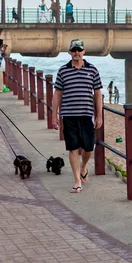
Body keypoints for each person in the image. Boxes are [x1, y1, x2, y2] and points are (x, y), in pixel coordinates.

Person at [52, 39, 103, 193]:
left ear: (83, 51)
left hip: (87, 114)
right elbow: (57, 94)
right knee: (73, 148)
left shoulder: (92, 70)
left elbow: (98, 93)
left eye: (79, 50)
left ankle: (84, 166)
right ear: (69, 52)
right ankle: (76, 181)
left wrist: (99, 116)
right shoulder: (63, 70)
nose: (76, 53)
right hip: (68, 115)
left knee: (88, 147)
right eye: (73, 50)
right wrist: (54, 116)